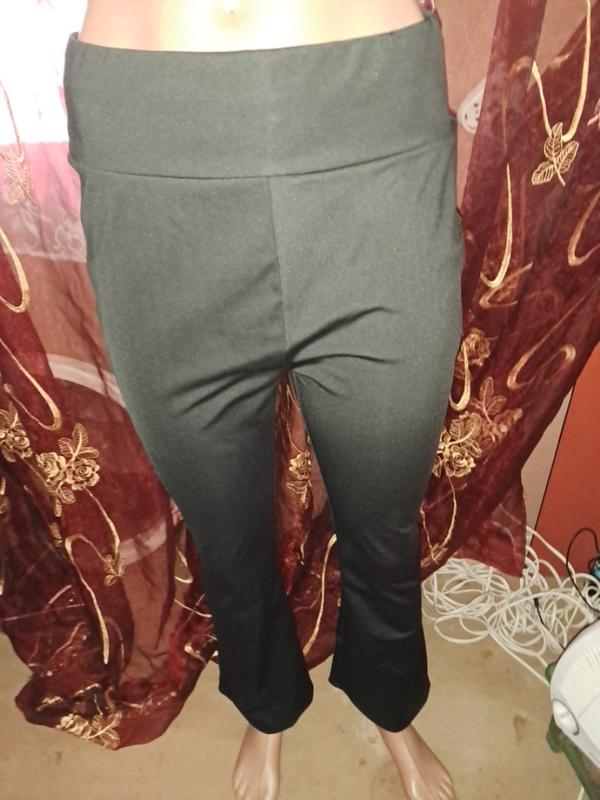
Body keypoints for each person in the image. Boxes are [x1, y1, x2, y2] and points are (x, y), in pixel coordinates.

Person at [65, 1, 462, 798]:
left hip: (371, 131)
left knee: (383, 516)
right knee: (227, 534)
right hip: (151, 155)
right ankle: (267, 706)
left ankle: (389, 702)